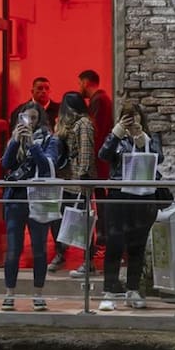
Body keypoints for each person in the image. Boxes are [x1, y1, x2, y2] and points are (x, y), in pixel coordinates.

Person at [97, 103, 163, 311]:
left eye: (134, 117)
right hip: (119, 195)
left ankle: (132, 290)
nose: (131, 121)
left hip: (143, 197)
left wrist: (141, 138)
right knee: (114, 244)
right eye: (127, 117)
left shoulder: (150, 138)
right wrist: (116, 133)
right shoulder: (116, 138)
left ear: (141, 118)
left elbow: (158, 158)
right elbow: (104, 155)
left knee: (137, 245)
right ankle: (109, 291)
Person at [0, 103, 60, 311]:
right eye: (25, 118)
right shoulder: (14, 138)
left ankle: (38, 293)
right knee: (13, 248)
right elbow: (6, 164)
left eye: (34, 118)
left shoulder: (50, 140)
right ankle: (9, 293)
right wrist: (15, 142)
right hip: (16, 199)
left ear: (40, 119)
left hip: (39, 199)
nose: (30, 122)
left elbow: (46, 167)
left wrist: (33, 144)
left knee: (39, 248)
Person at [49, 92, 96, 276]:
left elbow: (86, 150)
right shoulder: (67, 125)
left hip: (78, 180)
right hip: (65, 179)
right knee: (59, 218)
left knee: (82, 220)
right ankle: (61, 252)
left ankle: (87, 260)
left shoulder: (83, 124)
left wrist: (84, 175)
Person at [79, 70, 114, 256]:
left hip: (98, 160)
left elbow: (96, 132)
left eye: (80, 83)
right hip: (101, 159)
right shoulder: (103, 100)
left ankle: (102, 237)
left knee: (100, 200)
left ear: (86, 82)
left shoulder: (99, 101)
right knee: (100, 198)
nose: (80, 87)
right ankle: (102, 236)